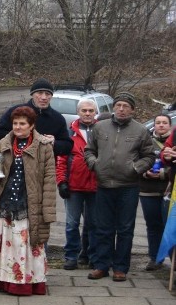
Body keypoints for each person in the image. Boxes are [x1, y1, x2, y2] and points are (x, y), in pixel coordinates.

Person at [0, 106, 56, 295]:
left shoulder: (44, 147)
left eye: (22, 124)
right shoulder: (3, 142)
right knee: (4, 241)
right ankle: (1, 280)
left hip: (29, 203)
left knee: (26, 243)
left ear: (31, 126)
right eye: (15, 123)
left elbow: (49, 180)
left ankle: (25, 282)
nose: (18, 127)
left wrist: (47, 211)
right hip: (6, 202)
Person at [84, 92, 155, 282]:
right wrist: (95, 164)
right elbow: (89, 150)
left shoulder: (140, 130)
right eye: (119, 105)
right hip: (104, 184)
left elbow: (149, 156)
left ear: (132, 109)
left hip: (128, 186)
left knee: (125, 229)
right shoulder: (100, 127)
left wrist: (135, 168)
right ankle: (101, 266)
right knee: (103, 228)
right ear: (113, 107)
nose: (122, 109)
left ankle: (120, 267)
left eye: (126, 106)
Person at [56, 99, 98, 270]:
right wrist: (61, 181)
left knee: (93, 224)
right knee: (72, 223)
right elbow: (61, 159)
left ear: (95, 112)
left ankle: (91, 256)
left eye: (90, 110)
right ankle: (71, 256)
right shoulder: (69, 132)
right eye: (84, 110)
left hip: (96, 186)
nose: (87, 114)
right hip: (74, 186)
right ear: (78, 112)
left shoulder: (102, 131)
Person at [0, 79, 72, 156]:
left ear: (51, 96)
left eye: (47, 94)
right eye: (40, 93)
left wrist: (54, 143)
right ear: (32, 94)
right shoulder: (16, 111)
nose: (44, 97)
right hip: (15, 163)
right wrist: (20, 137)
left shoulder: (58, 118)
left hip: (44, 166)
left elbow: (67, 146)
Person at [139, 114, 171, 271]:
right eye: (158, 122)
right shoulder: (146, 142)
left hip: (169, 191)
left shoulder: (173, 143)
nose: (161, 125)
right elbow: (137, 161)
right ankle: (154, 258)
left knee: (170, 226)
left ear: (170, 126)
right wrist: (146, 172)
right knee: (153, 225)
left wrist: (163, 174)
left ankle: (172, 260)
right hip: (148, 190)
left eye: (165, 123)